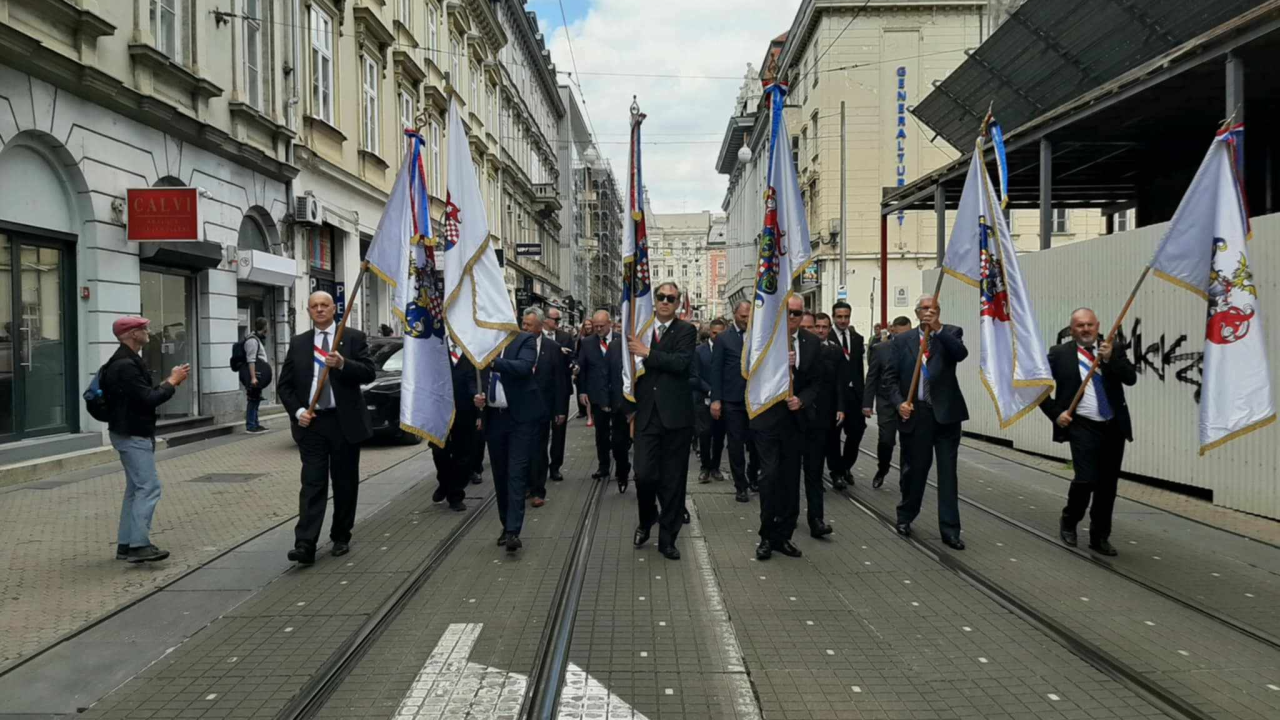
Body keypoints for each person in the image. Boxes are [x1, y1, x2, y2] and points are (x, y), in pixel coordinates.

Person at [278, 292, 377, 565]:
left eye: (324, 305)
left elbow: (369, 372)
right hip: (312, 424)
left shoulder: (353, 337)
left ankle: (341, 535)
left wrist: (343, 364)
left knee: (344, 482)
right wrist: (298, 412)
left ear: (334, 308)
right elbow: (284, 386)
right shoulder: (299, 344)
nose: (320, 310)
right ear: (308, 311)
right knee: (312, 483)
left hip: (344, 423)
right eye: (314, 306)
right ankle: (305, 543)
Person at [1040, 308, 1137, 556]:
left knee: (1107, 486)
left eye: (1089, 325)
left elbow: (1130, 378)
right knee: (1086, 479)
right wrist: (1055, 412)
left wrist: (1109, 359)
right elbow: (1038, 386)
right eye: (1080, 325)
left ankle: (1100, 536)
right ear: (1072, 329)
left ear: (1097, 326)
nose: (1085, 329)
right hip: (1082, 425)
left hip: (1112, 426)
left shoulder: (1113, 348)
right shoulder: (1059, 354)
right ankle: (1070, 520)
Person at [884, 295, 969, 549]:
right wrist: (900, 403)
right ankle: (905, 516)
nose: (929, 313)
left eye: (934, 309)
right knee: (915, 471)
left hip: (945, 416)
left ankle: (950, 529)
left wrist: (939, 329)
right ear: (917, 312)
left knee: (947, 474)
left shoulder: (950, 333)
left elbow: (960, 354)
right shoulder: (902, 341)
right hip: (916, 414)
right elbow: (889, 377)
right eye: (925, 309)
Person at [104, 316, 191, 563]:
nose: (148, 332)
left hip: (127, 431)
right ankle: (139, 545)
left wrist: (167, 381)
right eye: (144, 329)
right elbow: (148, 399)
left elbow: (143, 394)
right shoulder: (125, 365)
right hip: (132, 433)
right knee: (149, 487)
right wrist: (172, 382)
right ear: (133, 334)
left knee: (135, 489)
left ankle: (126, 543)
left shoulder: (124, 361)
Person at [628, 282, 697, 560]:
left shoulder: (686, 331)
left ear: (679, 302)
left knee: (673, 482)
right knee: (643, 475)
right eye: (661, 297)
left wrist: (647, 353)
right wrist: (627, 410)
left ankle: (668, 538)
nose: (666, 301)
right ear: (654, 300)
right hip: (646, 416)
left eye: (671, 298)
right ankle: (647, 518)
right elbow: (624, 370)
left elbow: (681, 363)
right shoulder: (640, 330)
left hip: (676, 418)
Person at [752, 296, 821, 560]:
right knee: (769, 476)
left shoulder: (812, 343)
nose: (792, 318)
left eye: (797, 313)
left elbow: (816, 382)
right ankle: (766, 536)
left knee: (791, 481)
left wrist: (802, 400)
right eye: (788, 313)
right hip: (768, 418)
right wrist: (781, 364)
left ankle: (784, 535)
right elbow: (750, 373)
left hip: (796, 420)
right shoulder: (763, 340)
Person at [476, 328, 544, 552]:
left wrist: (494, 363)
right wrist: (474, 396)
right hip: (495, 419)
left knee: (516, 472)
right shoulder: (480, 342)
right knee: (500, 473)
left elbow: (524, 367)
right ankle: (506, 525)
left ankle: (514, 530)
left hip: (520, 419)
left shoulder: (524, 340)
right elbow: (471, 376)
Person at [710, 301, 759, 503]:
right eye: (743, 316)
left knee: (757, 443)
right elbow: (716, 370)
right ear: (734, 315)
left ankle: (753, 474)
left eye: (749, 316)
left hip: (756, 400)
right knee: (736, 444)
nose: (746, 320)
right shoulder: (724, 339)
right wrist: (716, 399)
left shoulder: (759, 336)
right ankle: (741, 485)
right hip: (733, 401)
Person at [577, 310, 630, 490]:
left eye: (601, 326)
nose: (598, 329)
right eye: (596, 326)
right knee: (601, 434)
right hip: (598, 396)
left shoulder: (620, 341)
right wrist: (582, 391)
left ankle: (622, 468)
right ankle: (603, 465)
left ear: (610, 324)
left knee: (619, 437)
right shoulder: (587, 343)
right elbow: (582, 368)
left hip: (618, 396)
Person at [802, 311, 840, 538]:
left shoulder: (826, 352)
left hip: (817, 419)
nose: (812, 332)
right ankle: (785, 516)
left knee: (814, 472)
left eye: (813, 327)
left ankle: (816, 519)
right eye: (807, 327)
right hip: (789, 420)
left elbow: (835, 381)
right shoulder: (781, 350)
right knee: (785, 474)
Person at [863, 316, 913, 488]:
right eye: (899, 334)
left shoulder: (916, 348)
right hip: (886, 401)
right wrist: (867, 403)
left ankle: (905, 478)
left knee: (908, 441)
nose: (903, 338)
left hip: (908, 401)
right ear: (892, 332)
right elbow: (872, 377)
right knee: (886, 439)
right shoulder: (880, 349)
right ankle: (882, 468)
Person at [527, 307, 568, 508]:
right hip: (520, 408)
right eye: (523, 324)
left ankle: (537, 489)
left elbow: (559, 380)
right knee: (522, 451)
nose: (525, 328)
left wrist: (560, 410)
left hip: (543, 408)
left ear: (540, 326)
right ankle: (525, 486)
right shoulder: (514, 344)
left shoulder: (552, 348)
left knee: (539, 450)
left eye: (529, 325)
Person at [431, 339, 478, 512]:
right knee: (438, 451)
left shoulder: (470, 349)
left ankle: (456, 494)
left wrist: (476, 398)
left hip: (464, 409)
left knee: (463, 454)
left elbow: (474, 379)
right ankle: (444, 482)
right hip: (440, 409)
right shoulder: (435, 348)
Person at [827, 301, 866, 490]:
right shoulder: (828, 336)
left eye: (846, 316)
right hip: (834, 396)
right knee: (833, 435)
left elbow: (859, 370)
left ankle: (845, 466)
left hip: (854, 395)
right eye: (839, 317)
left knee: (857, 432)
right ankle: (836, 472)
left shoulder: (857, 339)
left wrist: (865, 398)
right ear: (834, 317)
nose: (843, 320)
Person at [543, 307, 575, 482]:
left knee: (559, 430)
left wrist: (573, 364)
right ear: (545, 320)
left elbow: (572, 358)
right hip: (540, 392)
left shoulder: (565, 337)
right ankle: (539, 466)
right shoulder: (535, 337)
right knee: (539, 431)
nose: (558, 323)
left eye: (559, 320)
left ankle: (555, 466)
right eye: (555, 320)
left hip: (560, 390)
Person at [694, 319, 726, 483]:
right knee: (705, 434)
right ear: (710, 333)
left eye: (721, 333)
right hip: (704, 399)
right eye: (715, 333)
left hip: (723, 401)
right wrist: (710, 390)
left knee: (719, 436)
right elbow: (695, 376)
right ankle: (705, 467)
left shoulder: (729, 350)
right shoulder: (699, 351)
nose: (718, 336)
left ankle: (715, 467)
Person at [241, 317, 272, 433]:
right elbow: (251, 360)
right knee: (253, 399)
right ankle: (251, 425)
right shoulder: (252, 341)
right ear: (264, 328)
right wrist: (253, 377)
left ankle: (256, 423)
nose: (268, 329)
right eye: (267, 327)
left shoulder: (256, 339)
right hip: (253, 376)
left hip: (257, 375)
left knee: (256, 399)